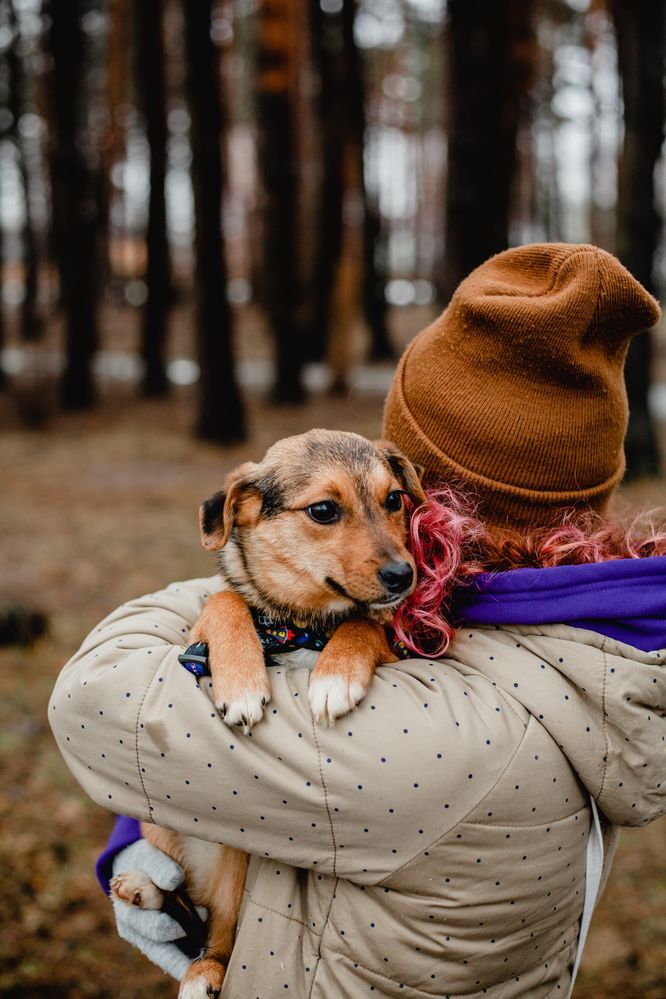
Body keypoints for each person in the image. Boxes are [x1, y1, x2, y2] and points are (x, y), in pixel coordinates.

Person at [49, 243, 666, 998]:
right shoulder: (568, 650)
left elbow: (93, 706)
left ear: (431, 495)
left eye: (397, 492)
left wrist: (243, 589)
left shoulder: (453, 734)